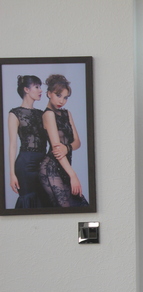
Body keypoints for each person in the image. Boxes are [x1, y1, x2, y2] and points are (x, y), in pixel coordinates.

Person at [39, 74, 89, 207]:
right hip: (51, 168)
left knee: (80, 206)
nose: (62, 101)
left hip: (65, 166)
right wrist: (73, 175)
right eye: (58, 95)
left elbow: (78, 142)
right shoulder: (48, 114)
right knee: (65, 208)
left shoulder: (67, 114)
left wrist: (67, 148)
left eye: (65, 97)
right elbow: (57, 150)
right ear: (49, 93)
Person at [7, 75, 49, 208]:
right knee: (28, 201)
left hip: (43, 163)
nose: (40, 90)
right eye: (37, 87)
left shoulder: (42, 114)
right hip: (25, 165)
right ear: (26, 89)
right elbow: (13, 145)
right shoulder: (15, 113)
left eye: (40, 87)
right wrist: (12, 174)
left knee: (45, 202)